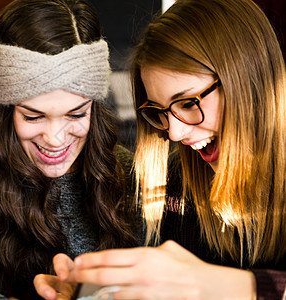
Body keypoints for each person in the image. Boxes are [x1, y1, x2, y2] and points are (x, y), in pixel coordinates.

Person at [34, 0, 286, 299]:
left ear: (248, 79)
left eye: (189, 103)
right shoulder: (179, 183)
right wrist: (95, 290)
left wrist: (241, 288)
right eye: (160, 112)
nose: (175, 133)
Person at [0, 0, 141, 299]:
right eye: (33, 116)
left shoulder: (124, 169)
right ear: (8, 108)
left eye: (76, 114)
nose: (54, 138)